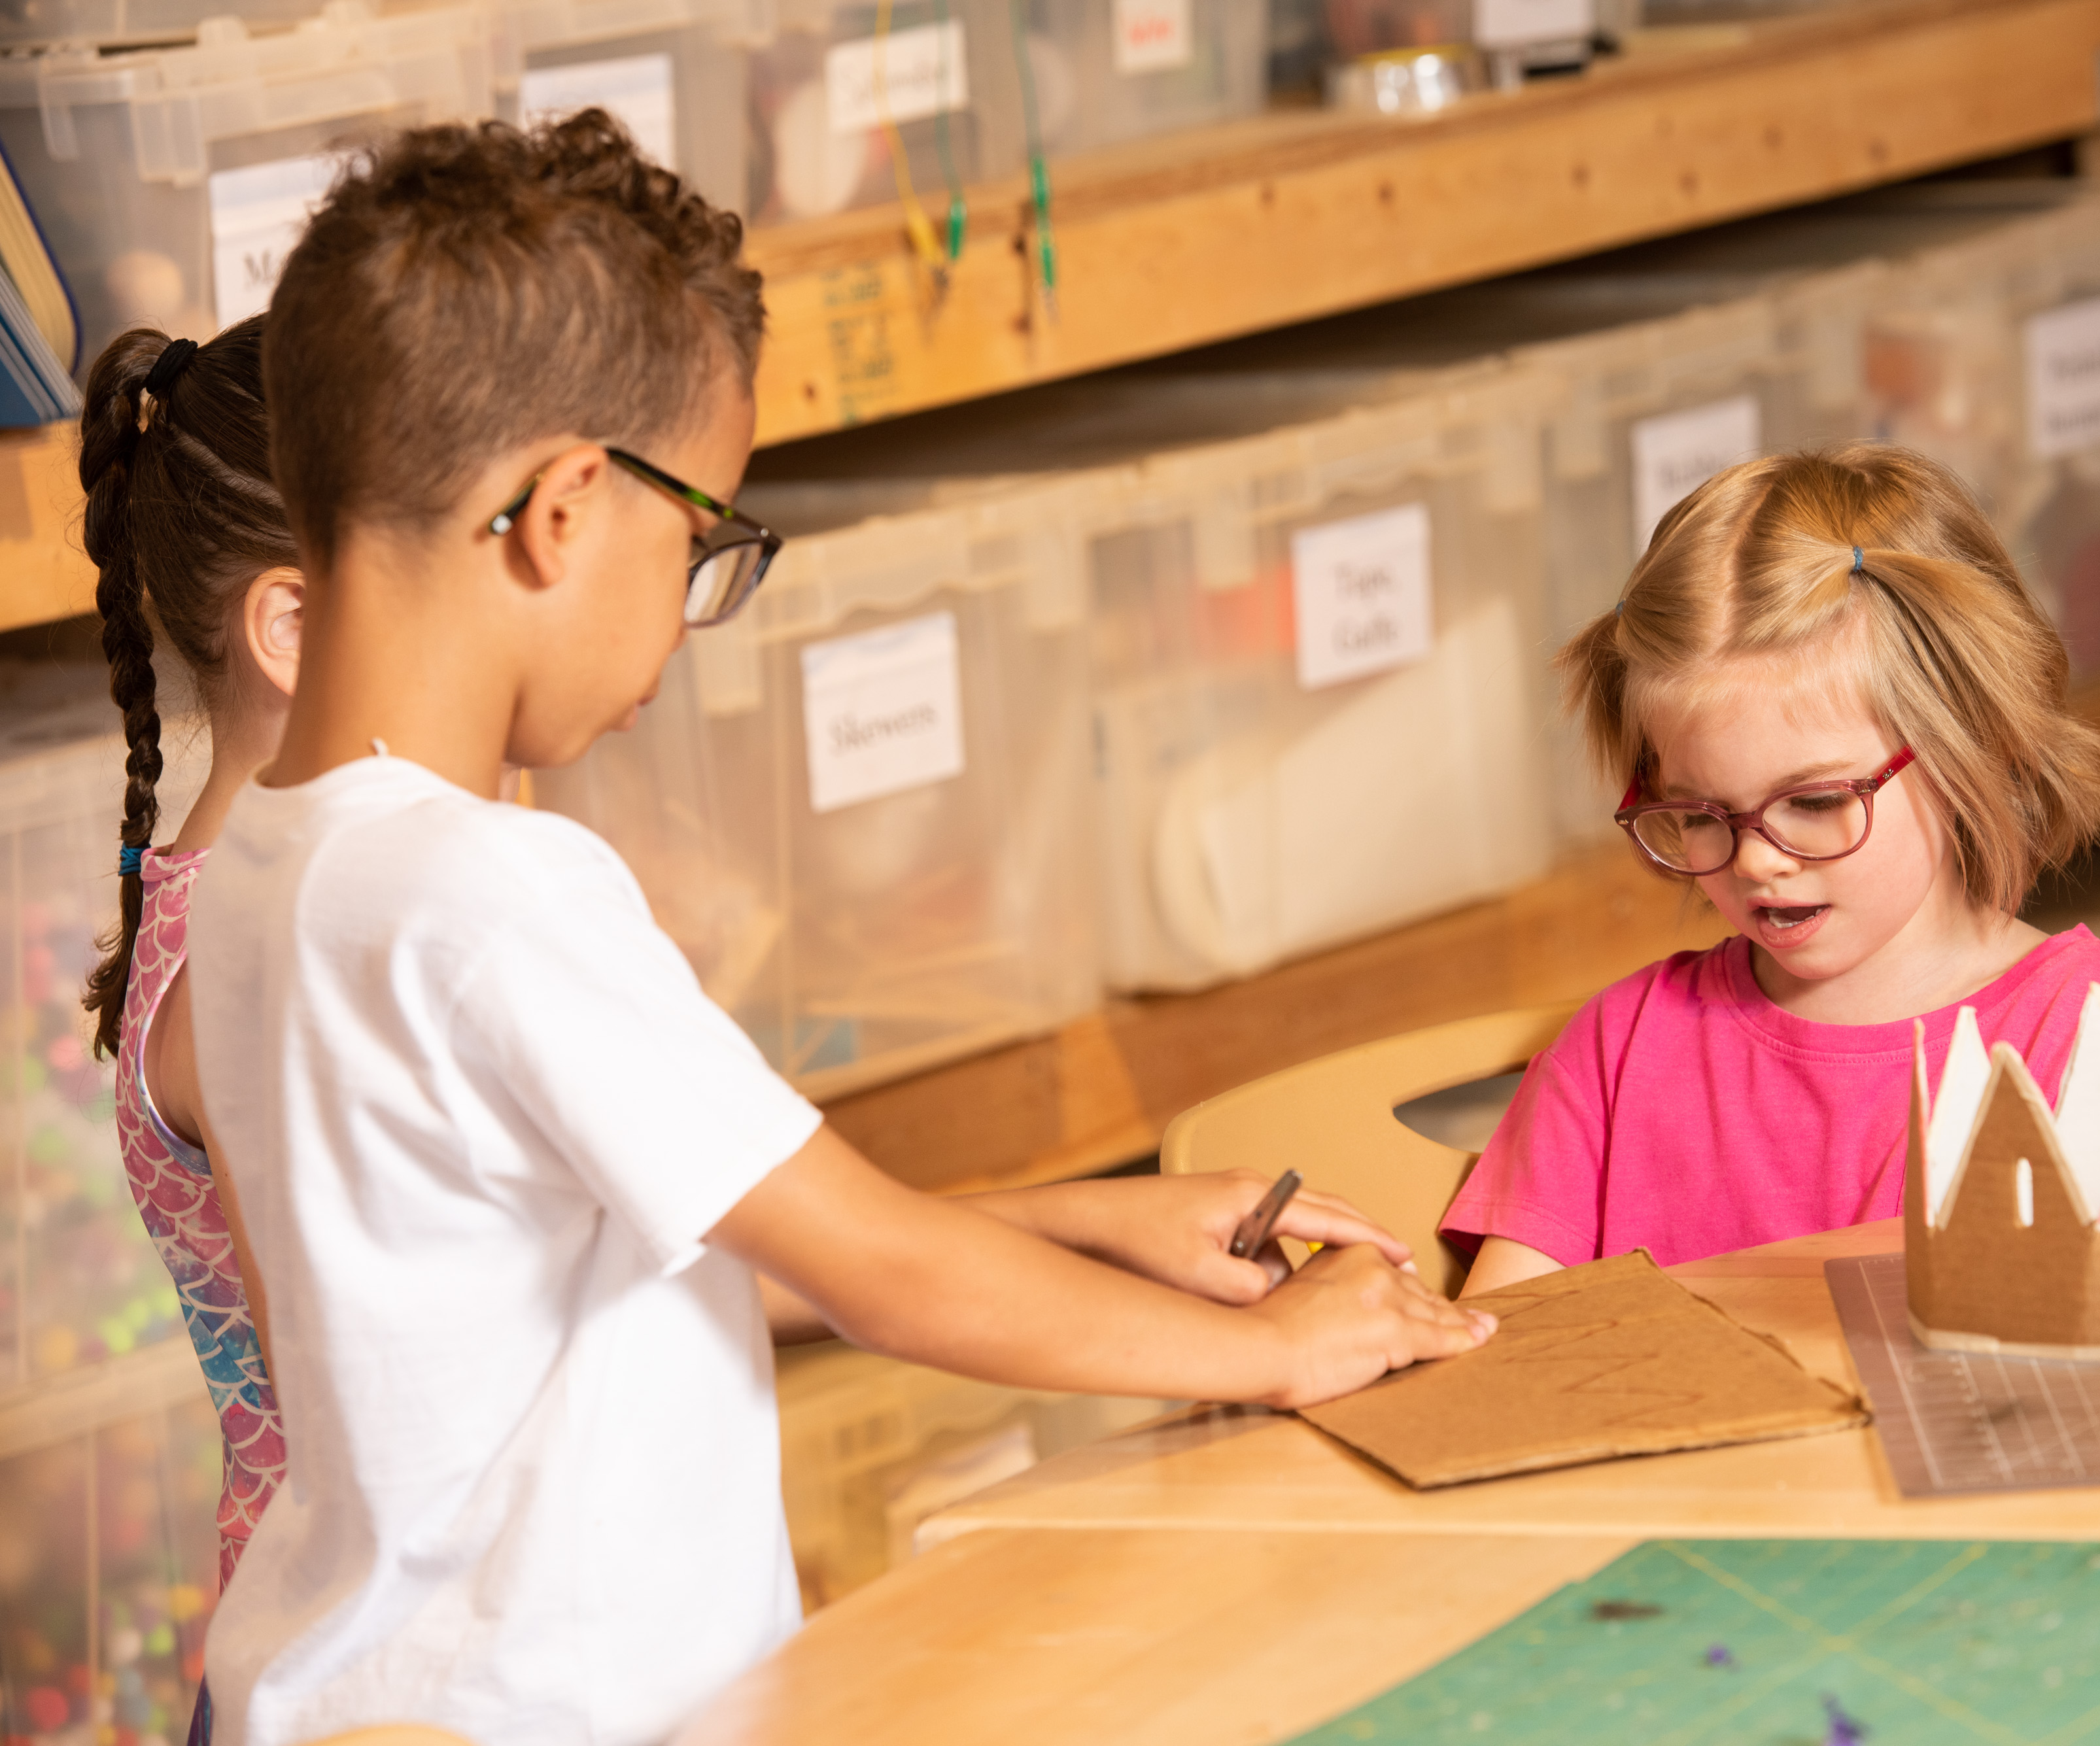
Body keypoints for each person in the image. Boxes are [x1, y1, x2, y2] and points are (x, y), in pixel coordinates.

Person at [188, 112, 1492, 1746]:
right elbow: (874, 1274)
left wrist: (1084, 1224)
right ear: (567, 510)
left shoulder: (260, 877)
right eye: (702, 541)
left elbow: (581, 1269)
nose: (689, 614)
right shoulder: (496, 892)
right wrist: (1280, 1355)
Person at [1447, 444, 2100, 1293]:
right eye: (1699, 814)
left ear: (1970, 744)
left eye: (1817, 801)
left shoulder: (2087, 1029)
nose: (1757, 859)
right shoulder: (1618, 1048)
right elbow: (1506, 1358)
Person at [78, 319, 301, 1719]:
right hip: (339, 1671)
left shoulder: (248, 894)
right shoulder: (254, 950)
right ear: (289, 621)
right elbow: (364, 1399)